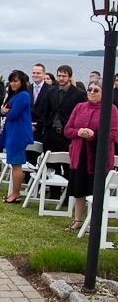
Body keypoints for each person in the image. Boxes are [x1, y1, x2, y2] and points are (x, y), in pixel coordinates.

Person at [64, 80, 118, 231]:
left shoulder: (111, 109)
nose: (91, 92)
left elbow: (113, 135)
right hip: (79, 153)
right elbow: (67, 129)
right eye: (89, 89)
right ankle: (78, 219)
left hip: (98, 156)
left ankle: (94, 223)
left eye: (96, 90)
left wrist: (93, 135)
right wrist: (78, 132)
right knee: (79, 188)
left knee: (95, 190)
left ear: (104, 93)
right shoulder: (80, 107)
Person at [42, 65, 86, 195]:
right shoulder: (51, 92)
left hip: (67, 134)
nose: (61, 78)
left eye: (64, 76)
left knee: (68, 166)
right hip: (51, 132)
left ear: (70, 77)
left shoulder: (79, 94)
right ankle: (54, 193)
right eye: (59, 75)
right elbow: (47, 112)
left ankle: (68, 195)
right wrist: (46, 129)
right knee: (51, 165)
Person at [0, 70, 33, 203]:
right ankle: (14, 192)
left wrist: (4, 112)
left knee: (17, 163)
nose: (13, 84)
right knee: (13, 163)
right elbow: (2, 111)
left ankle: (16, 193)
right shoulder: (14, 95)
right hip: (11, 131)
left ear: (22, 82)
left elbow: (12, 114)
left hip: (19, 133)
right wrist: (2, 112)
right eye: (11, 81)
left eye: (16, 81)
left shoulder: (23, 95)